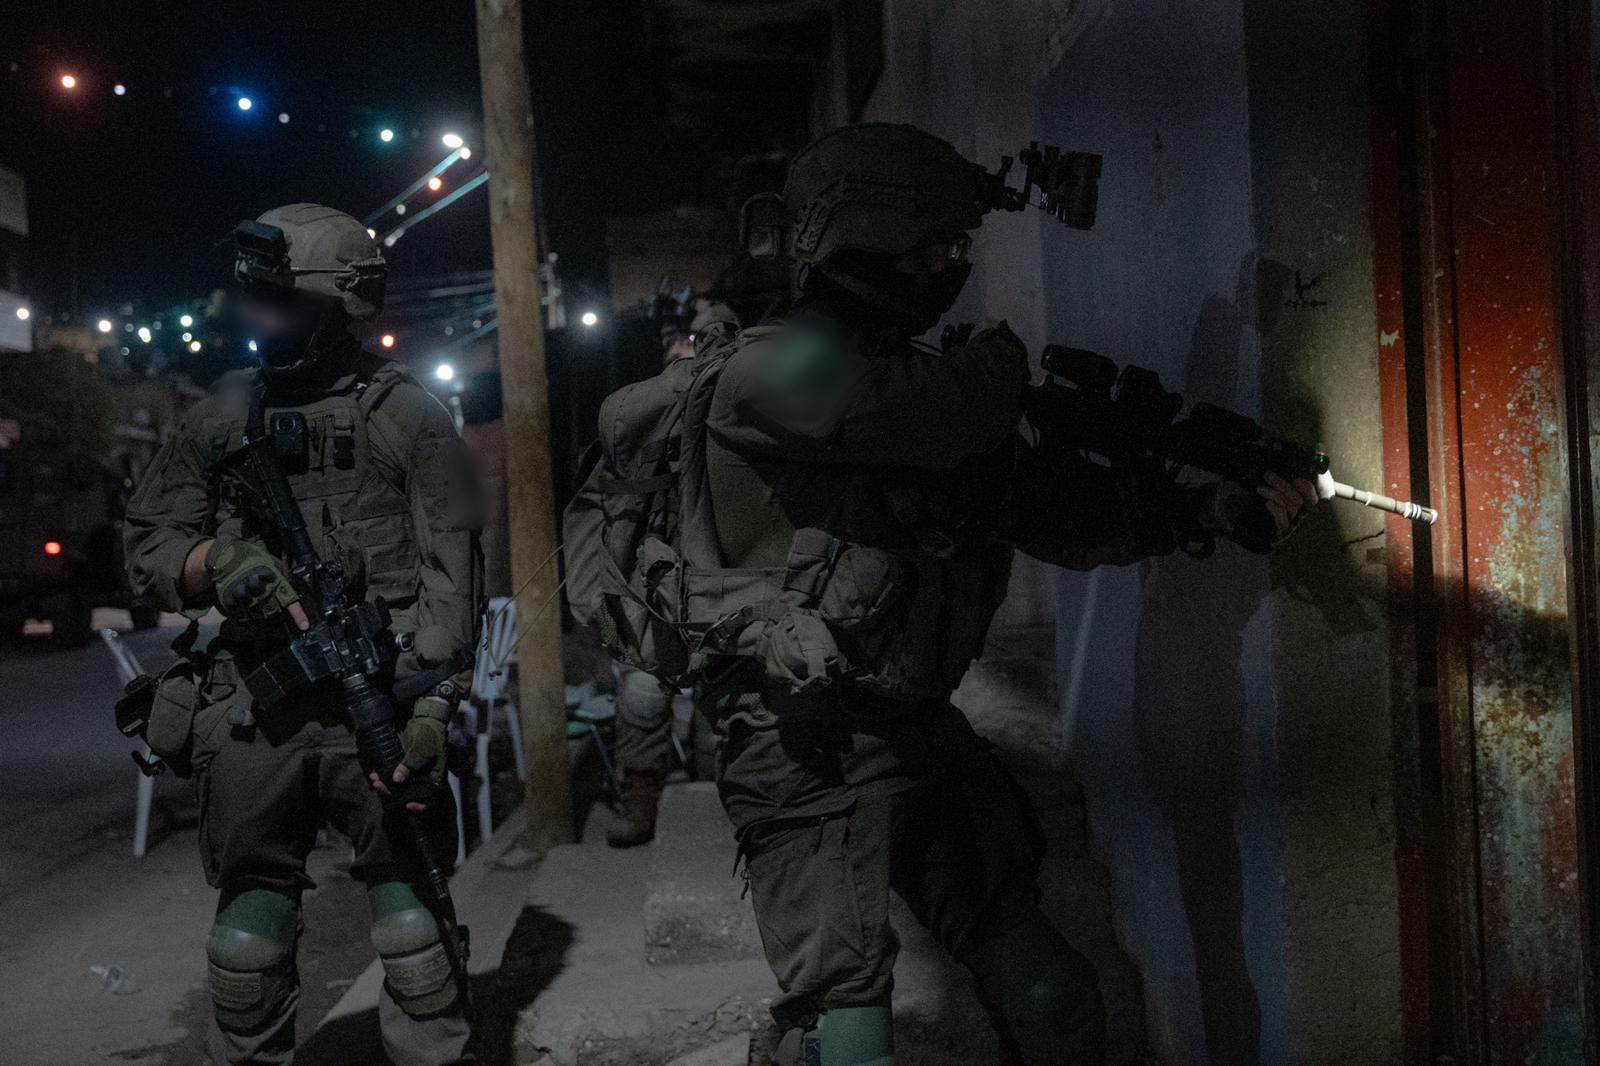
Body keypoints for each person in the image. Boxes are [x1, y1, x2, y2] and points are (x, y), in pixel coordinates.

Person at [694, 125, 1317, 1064]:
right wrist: (992, 378)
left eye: (957, 248)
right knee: (847, 1040)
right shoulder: (772, 371)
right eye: (933, 249)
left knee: (1053, 1002)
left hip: (915, 731)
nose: (951, 269)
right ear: (867, 237)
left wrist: (1210, 507)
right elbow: (893, 412)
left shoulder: (926, 387)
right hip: (800, 747)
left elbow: (1049, 506)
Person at [124, 203, 484, 1066]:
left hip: (380, 700)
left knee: (414, 935)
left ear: (339, 308)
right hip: (258, 704)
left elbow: (452, 584)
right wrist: (217, 561)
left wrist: (434, 710)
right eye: (255, 297)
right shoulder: (222, 414)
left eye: (281, 301)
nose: (260, 316)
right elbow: (148, 547)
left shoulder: (408, 416)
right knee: (246, 943)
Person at [607, 293, 738, 847]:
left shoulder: (741, 403)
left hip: (726, 573)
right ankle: (642, 806)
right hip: (662, 576)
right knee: (643, 690)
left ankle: (718, 808)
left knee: (722, 697)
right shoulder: (652, 407)